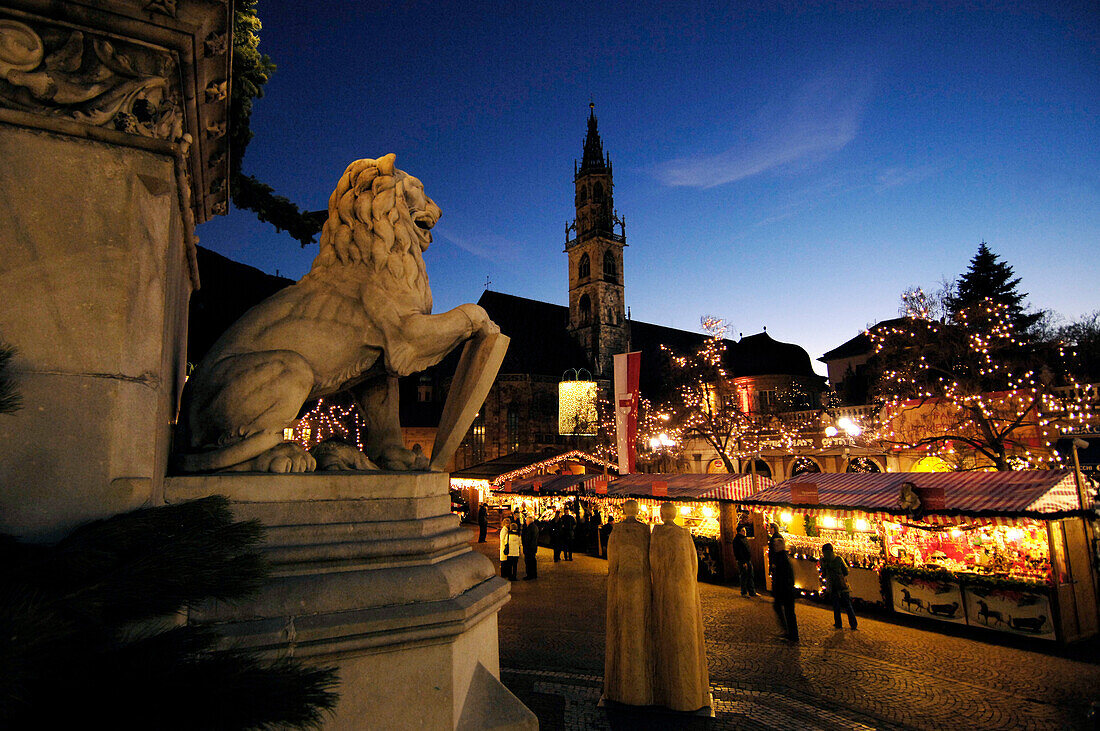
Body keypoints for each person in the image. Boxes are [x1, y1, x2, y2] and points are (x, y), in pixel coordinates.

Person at [650, 502, 710, 711]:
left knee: (667, 634)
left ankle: (669, 685)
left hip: (665, 592)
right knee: (685, 637)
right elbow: (694, 565)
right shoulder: (685, 535)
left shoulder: (657, 535)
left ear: (661, 514)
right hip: (684, 593)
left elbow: (653, 563)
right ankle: (688, 688)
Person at [604, 500, 654, 706]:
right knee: (641, 627)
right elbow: (651, 558)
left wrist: (613, 575)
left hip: (622, 582)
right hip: (641, 583)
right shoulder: (644, 531)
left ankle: (623, 680)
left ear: (624, 511)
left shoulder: (617, 530)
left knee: (622, 626)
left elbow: (612, 558)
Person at [821, 543, 857, 630]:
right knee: (848, 605)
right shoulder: (838, 559)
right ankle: (853, 624)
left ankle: (838, 623)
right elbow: (846, 572)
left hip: (832, 585)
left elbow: (823, 574)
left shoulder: (823, 560)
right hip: (842, 585)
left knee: (836, 605)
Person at [770, 535, 798, 642]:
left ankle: (792, 634)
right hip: (784, 589)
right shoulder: (781, 557)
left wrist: (779, 588)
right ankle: (789, 632)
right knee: (786, 611)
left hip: (785, 590)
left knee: (788, 612)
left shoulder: (782, 559)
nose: (775, 547)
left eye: (776, 545)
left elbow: (784, 576)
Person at [732, 526, 756, 597]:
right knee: (744, 576)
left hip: (748, 560)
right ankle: (744, 592)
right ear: (739, 531)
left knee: (750, 575)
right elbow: (738, 552)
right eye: (743, 530)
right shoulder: (737, 540)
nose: (744, 532)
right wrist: (743, 561)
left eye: (745, 530)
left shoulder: (744, 538)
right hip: (743, 561)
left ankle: (752, 592)